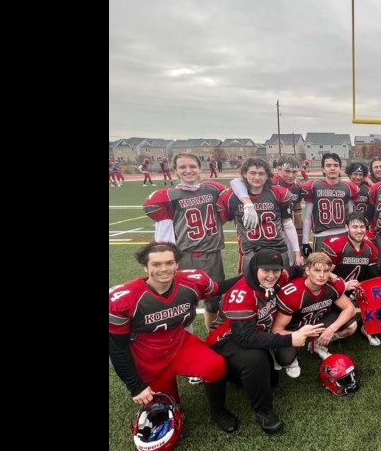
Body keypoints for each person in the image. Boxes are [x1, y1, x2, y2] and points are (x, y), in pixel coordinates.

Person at [203, 250, 324, 435]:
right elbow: (246, 338)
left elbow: (295, 270)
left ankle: (233, 374)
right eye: (265, 270)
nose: (271, 275)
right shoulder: (242, 294)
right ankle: (264, 411)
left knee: (271, 380)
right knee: (255, 360)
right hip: (226, 339)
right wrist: (290, 338)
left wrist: (327, 275)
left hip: (253, 332)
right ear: (255, 269)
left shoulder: (278, 277)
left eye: (275, 270)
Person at [109, 242, 241, 408]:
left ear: (177, 264)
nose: (164, 269)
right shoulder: (124, 299)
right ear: (145, 267)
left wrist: (251, 274)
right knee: (165, 408)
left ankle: (219, 412)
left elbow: (218, 288)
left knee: (215, 365)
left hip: (180, 343)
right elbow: (117, 350)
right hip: (148, 357)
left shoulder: (191, 282)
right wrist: (135, 386)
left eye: (169, 263)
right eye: (156, 264)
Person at [143, 152, 229, 330]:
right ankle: (184, 341)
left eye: (192, 166)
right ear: (175, 171)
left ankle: (211, 337)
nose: (188, 170)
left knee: (214, 301)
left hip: (213, 254)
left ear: (200, 168)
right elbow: (162, 228)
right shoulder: (169, 196)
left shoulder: (213, 190)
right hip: (187, 255)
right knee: (184, 302)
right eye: (183, 167)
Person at [272, 252, 359, 360]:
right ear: (307, 271)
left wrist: (331, 330)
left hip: (317, 321)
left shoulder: (333, 285)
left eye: (326, 271)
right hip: (295, 328)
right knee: (285, 359)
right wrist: (299, 334)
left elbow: (350, 309)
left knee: (352, 326)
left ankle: (318, 344)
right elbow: (276, 330)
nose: (322, 275)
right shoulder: (293, 293)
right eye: (317, 270)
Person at [220, 157, 301, 272]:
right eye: (252, 173)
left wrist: (296, 252)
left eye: (261, 173)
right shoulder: (231, 197)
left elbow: (288, 223)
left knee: (281, 285)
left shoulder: (279, 193)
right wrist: (247, 203)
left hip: (277, 249)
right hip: (250, 252)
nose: (257, 177)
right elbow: (219, 221)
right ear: (244, 174)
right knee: (249, 287)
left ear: (267, 176)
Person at [322, 212, 381, 346]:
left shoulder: (370, 247)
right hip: (332, 290)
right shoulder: (336, 244)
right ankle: (325, 333)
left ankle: (367, 327)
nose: (359, 230)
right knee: (335, 320)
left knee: (377, 291)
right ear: (346, 227)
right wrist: (343, 285)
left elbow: (373, 275)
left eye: (362, 227)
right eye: (354, 227)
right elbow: (321, 275)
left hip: (352, 290)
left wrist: (367, 289)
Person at [300, 153, 359, 255]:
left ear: (340, 169)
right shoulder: (314, 186)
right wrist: (305, 242)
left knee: (342, 269)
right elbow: (308, 217)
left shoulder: (348, 187)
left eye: (336, 165)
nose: (332, 168)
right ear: (323, 169)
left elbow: (351, 217)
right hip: (321, 236)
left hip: (343, 234)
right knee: (321, 269)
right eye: (328, 165)